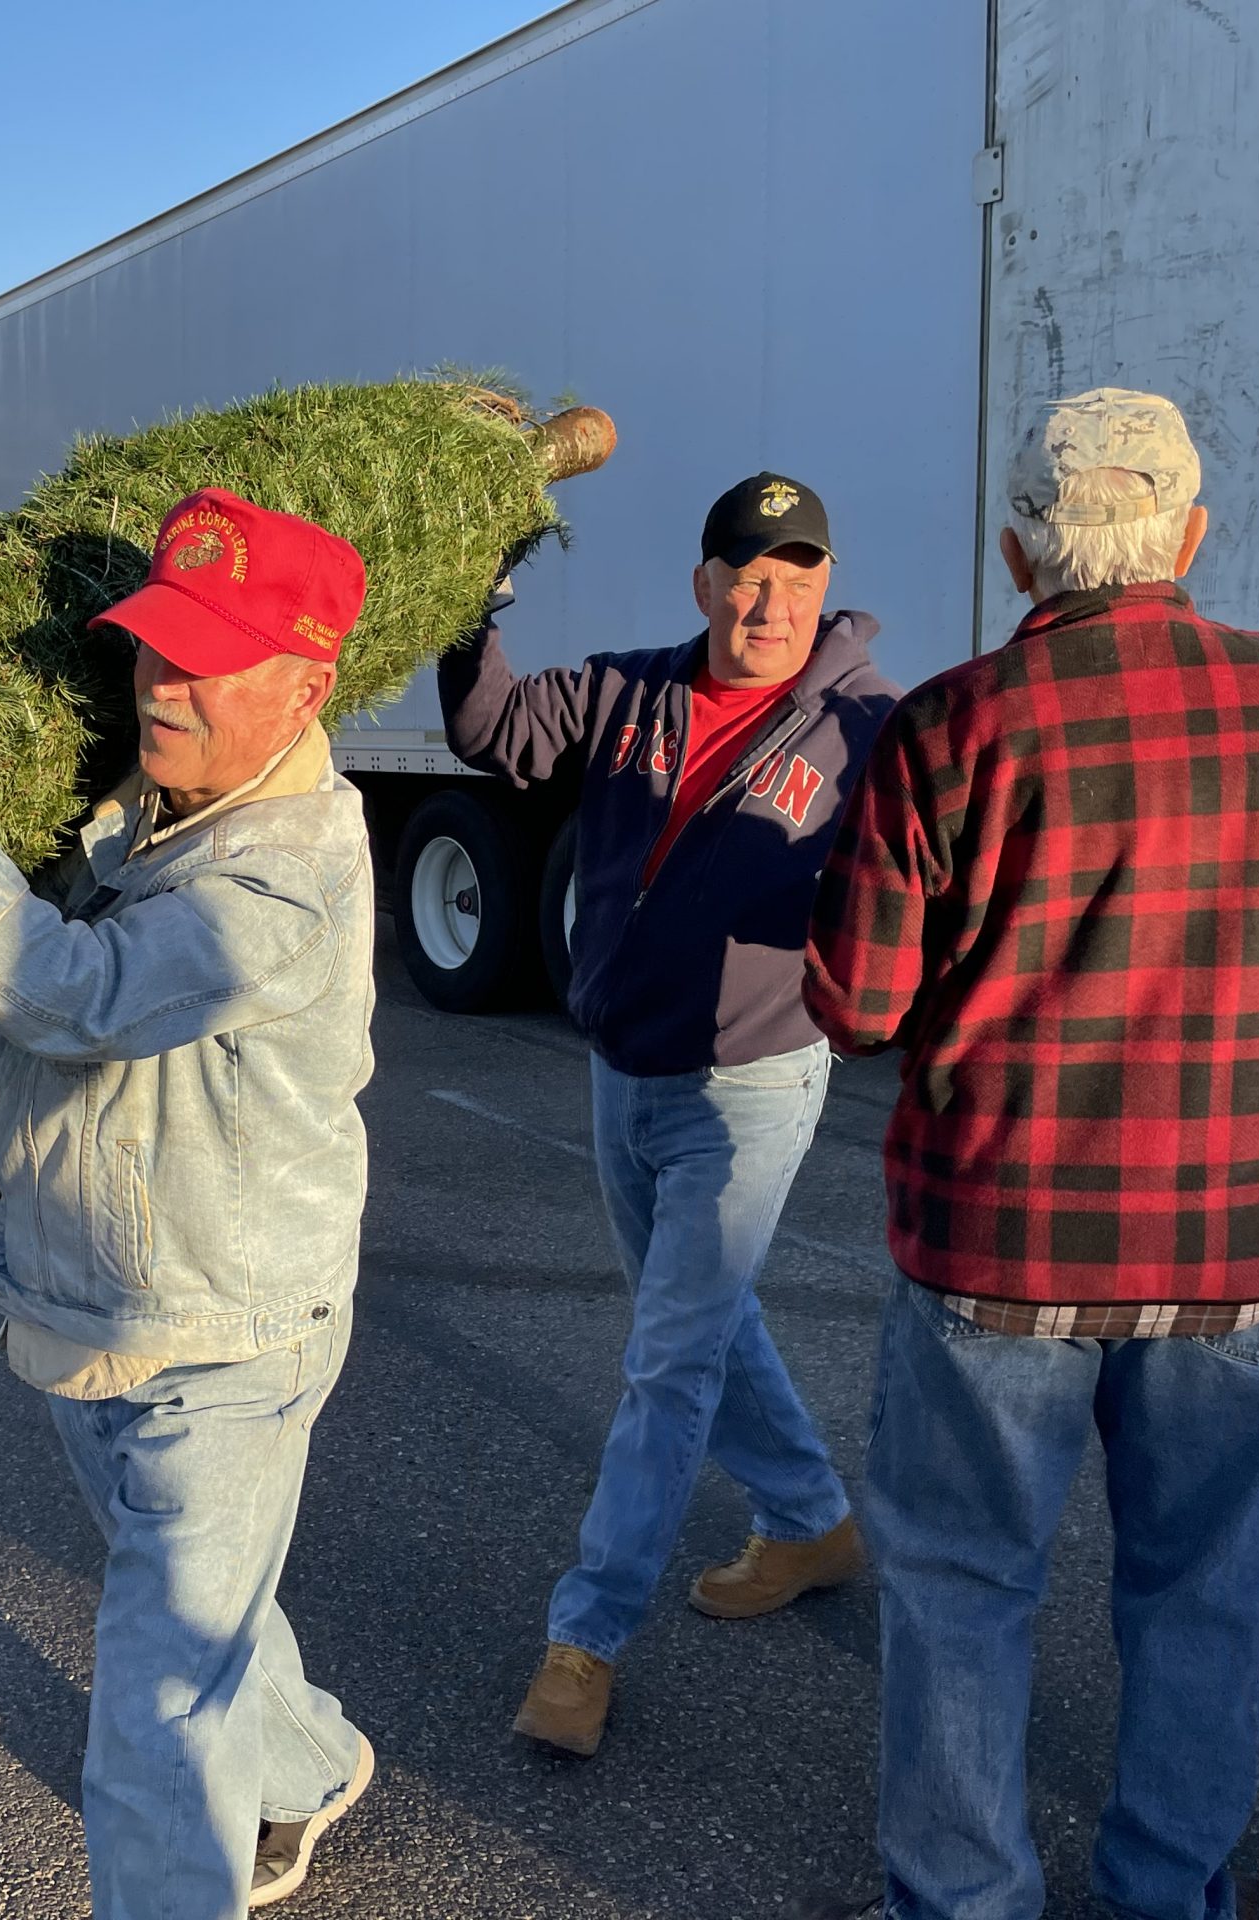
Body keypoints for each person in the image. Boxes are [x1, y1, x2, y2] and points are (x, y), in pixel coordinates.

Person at [791, 390, 1259, 1920]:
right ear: (1193, 537)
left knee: (964, 1595)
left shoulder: (946, 728)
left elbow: (856, 1002)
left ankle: (965, 1903)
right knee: (1204, 1595)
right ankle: (1170, 1890)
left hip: (1001, 1253)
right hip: (1236, 1253)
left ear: (1023, 554)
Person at [0, 488, 378, 1918]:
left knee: (162, 1715)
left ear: (309, 682)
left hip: (220, 1340)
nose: (161, 686)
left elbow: (70, 994)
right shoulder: (168, 800)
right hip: (95, 1303)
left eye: (202, 661)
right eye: (154, 648)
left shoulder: (285, 879)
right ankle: (311, 1764)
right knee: (202, 1610)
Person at [439, 473, 901, 1756]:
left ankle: (584, 1638)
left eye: (795, 582)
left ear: (824, 591)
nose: (769, 604)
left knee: (666, 1362)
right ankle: (810, 1522)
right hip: (622, 1067)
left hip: (752, 1082)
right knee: (701, 1320)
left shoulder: (869, 727)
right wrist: (469, 602)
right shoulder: (627, 686)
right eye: (746, 577)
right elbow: (494, 731)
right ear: (703, 585)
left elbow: (933, 873)